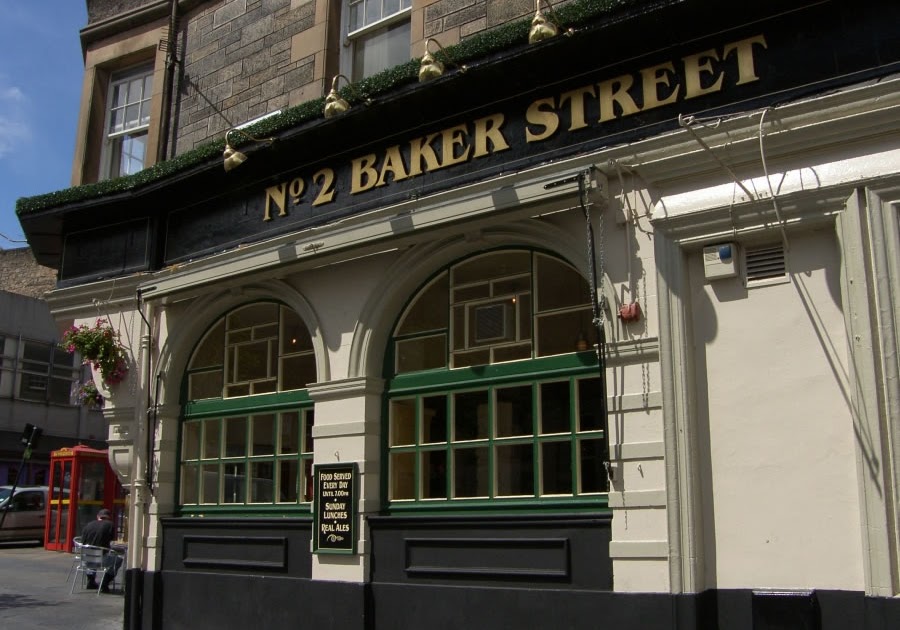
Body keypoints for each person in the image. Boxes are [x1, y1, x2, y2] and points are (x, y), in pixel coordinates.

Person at [80, 508, 122, 593]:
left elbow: (82, 542)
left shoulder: (88, 525)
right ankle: (105, 583)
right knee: (118, 560)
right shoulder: (110, 525)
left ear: (98, 516)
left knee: (92, 556)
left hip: (86, 559)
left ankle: (90, 581)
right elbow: (112, 542)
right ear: (108, 517)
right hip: (101, 560)